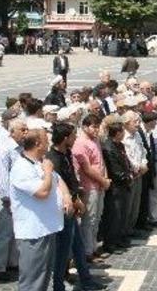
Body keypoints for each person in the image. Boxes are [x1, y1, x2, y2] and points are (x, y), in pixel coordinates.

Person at [10, 128, 72, 291]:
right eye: (46, 140)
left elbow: (58, 181)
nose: (49, 143)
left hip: (47, 227)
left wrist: (66, 196)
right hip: (33, 232)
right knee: (32, 280)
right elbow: (42, 192)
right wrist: (48, 171)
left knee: (43, 277)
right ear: (38, 144)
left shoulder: (40, 162)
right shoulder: (21, 168)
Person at [46, 123, 105, 291]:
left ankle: (85, 279)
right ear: (65, 138)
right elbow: (58, 186)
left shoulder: (66, 153)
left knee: (77, 246)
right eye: (72, 136)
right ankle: (58, 283)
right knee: (63, 251)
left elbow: (72, 178)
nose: (75, 139)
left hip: (72, 206)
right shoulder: (53, 158)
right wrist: (73, 199)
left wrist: (77, 196)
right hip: (62, 210)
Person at [0, 118, 27, 282]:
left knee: (15, 232)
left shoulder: (21, 148)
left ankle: (12, 262)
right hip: (7, 199)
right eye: (22, 130)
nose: (25, 133)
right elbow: (2, 177)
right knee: (4, 233)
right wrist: (8, 198)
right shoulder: (4, 150)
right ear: (12, 132)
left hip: (18, 197)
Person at [72, 114, 110, 261]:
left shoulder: (95, 140)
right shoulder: (80, 143)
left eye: (97, 126)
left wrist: (105, 177)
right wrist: (102, 180)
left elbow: (100, 161)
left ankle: (93, 247)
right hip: (90, 186)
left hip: (99, 184)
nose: (96, 129)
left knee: (97, 217)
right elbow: (86, 168)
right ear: (85, 127)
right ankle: (87, 251)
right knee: (89, 219)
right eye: (93, 126)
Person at [101, 116, 134, 252]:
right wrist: (126, 177)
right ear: (117, 133)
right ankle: (110, 242)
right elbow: (114, 169)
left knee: (122, 214)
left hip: (124, 184)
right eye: (122, 132)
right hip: (116, 186)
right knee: (114, 215)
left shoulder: (119, 145)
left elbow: (125, 161)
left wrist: (130, 172)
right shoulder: (109, 148)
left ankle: (119, 238)